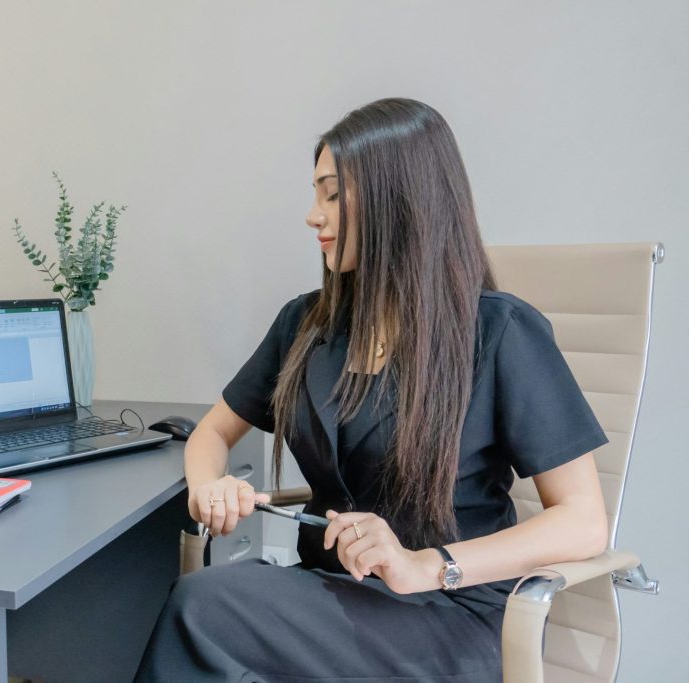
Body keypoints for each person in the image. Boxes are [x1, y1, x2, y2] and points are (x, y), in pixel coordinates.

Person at [133, 98, 609, 682]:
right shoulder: (308, 325)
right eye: (314, 193)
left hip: (448, 613)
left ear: (398, 200)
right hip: (334, 596)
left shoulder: (499, 331)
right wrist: (209, 488)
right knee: (212, 607)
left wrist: (427, 566)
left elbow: (584, 521)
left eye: (332, 194)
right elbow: (212, 430)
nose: (313, 215)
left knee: (204, 607)